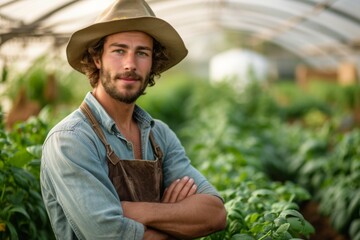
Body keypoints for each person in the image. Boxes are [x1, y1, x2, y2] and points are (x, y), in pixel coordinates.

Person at [40, 0, 227, 239]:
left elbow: (214, 214)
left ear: (152, 63)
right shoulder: (71, 140)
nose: (130, 64)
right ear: (98, 59)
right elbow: (109, 234)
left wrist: (132, 210)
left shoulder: (159, 136)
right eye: (119, 51)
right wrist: (176, 219)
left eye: (142, 53)